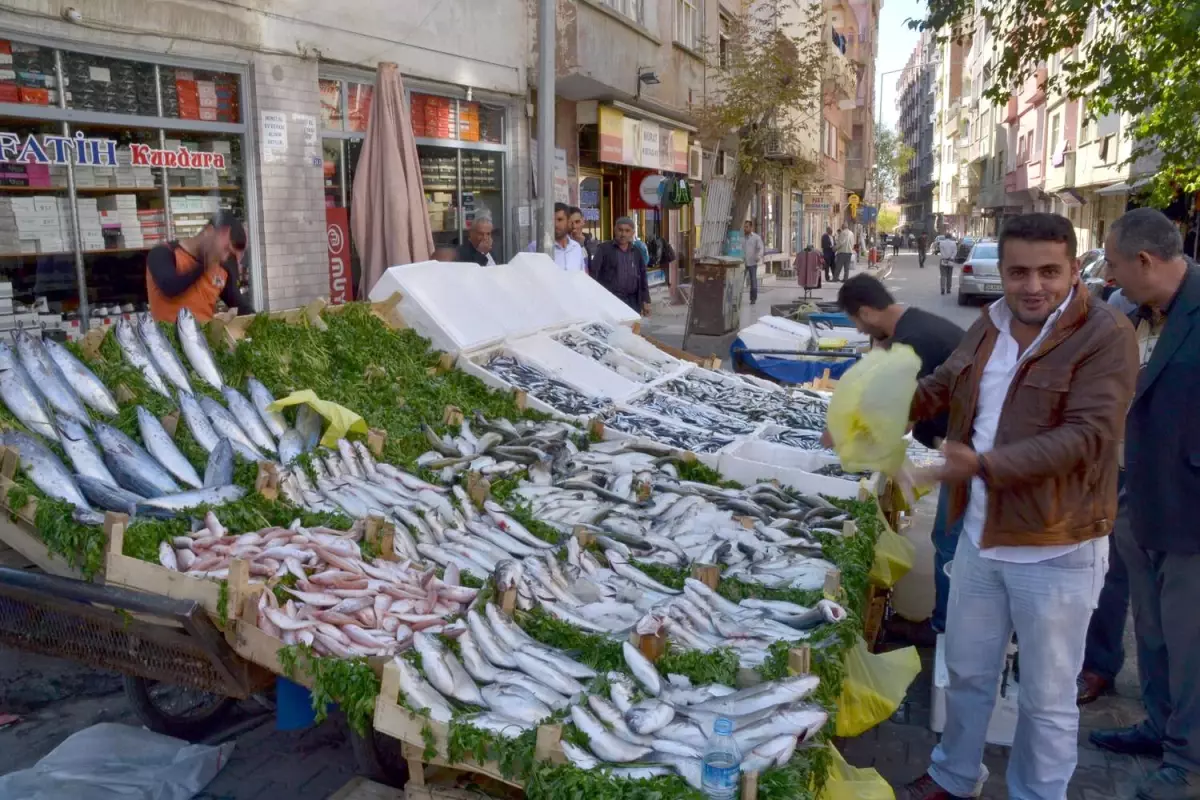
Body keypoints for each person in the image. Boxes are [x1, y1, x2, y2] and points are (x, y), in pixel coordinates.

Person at [901, 212, 1138, 800]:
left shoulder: (1105, 333)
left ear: (1072, 269)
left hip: (1057, 546)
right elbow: (945, 382)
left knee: (1047, 696)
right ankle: (955, 776)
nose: (1033, 285)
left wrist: (980, 465)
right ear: (1001, 272)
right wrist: (871, 408)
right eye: (1019, 272)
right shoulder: (989, 323)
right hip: (981, 537)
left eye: (1049, 271)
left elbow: (1086, 437)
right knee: (969, 673)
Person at [1088, 209, 1200, 800]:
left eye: (1110, 262)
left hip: (1190, 507)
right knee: (1150, 630)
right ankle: (1159, 727)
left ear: (1145, 262)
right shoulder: (1128, 314)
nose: (1106, 273)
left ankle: (1189, 764)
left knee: (1191, 641)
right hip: (1135, 495)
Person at [836, 274, 965, 646]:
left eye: (857, 323)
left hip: (967, 447)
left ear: (865, 313)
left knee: (950, 540)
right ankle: (948, 622)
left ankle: (944, 628)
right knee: (952, 537)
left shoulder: (915, 342)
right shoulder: (913, 324)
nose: (860, 331)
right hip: (957, 441)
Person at [146, 211, 254, 323]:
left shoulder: (221, 269)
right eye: (225, 248)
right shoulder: (164, 253)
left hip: (202, 338)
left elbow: (241, 306)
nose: (224, 257)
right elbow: (170, 287)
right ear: (209, 231)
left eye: (229, 254)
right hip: (166, 338)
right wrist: (204, 266)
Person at [591, 216, 651, 316]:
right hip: (611, 301)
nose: (623, 234)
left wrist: (646, 300)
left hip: (633, 302)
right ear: (615, 230)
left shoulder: (636, 252)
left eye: (627, 231)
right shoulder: (604, 249)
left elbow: (643, 277)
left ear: (632, 233)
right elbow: (594, 274)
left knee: (632, 330)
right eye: (620, 230)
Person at [527, 202, 588, 271]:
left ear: (568, 221)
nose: (555, 224)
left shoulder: (576, 247)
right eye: (551, 220)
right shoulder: (536, 247)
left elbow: (582, 276)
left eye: (560, 220)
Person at [741, 220, 765, 305]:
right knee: (740, 281)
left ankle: (753, 298)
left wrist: (758, 256)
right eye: (744, 226)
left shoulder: (756, 238)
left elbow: (761, 248)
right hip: (742, 263)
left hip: (752, 262)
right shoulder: (742, 238)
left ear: (751, 227)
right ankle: (738, 298)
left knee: (753, 281)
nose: (745, 228)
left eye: (747, 227)